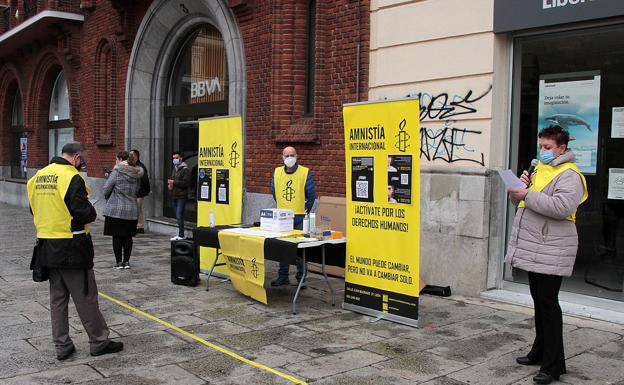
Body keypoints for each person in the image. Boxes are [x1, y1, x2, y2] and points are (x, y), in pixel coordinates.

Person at [505, 125, 587, 385]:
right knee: (539, 303)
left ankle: (554, 366)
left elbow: (562, 207)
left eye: (548, 147)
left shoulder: (569, 174)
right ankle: (539, 352)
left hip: (553, 246)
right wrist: (519, 189)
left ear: (562, 149)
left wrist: (527, 194)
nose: (543, 151)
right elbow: (521, 202)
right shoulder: (542, 169)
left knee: (549, 305)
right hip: (534, 245)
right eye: (541, 146)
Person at [27, 142, 123, 360]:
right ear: (76, 157)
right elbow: (83, 213)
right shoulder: (71, 177)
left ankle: (62, 346)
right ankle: (99, 341)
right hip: (72, 246)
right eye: (82, 160)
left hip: (46, 247)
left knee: (57, 299)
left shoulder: (37, 177)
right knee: (86, 296)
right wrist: (91, 209)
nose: (82, 164)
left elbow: (33, 209)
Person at [270, 146, 316, 288]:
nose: (289, 158)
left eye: (292, 155)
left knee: (300, 249)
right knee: (283, 248)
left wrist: (305, 211)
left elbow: (311, 195)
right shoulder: (277, 172)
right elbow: (274, 192)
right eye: (286, 155)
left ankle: (301, 278)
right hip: (283, 217)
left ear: (297, 156)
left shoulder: (305, 172)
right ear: (282, 157)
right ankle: (283, 276)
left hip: (300, 217)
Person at [103, 151, 144, 269]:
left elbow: (106, 188)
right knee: (128, 237)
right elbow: (137, 191)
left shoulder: (117, 172)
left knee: (116, 236)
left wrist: (109, 198)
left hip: (116, 209)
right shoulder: (137, 174)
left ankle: (118, 262)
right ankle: (126, 261)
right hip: (131, 209)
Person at [168, 151, 191, 241]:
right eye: (173, 158)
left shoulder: (185, 169)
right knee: (178, 215)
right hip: (174, 195)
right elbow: (173, 179)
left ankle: (181, 235)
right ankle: (180, 234)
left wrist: (174, 182)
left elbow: (186, 183)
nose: (175, 159)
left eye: (176, 158)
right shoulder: (175, 168)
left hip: (182, 196)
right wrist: (170, 185)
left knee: (179, 215)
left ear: (181, 158)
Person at [130, 149, 150, 234]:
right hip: (135, 192)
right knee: (139, 209)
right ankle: (140, 226)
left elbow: (145, 180)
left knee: (136, 209)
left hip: (139, 192)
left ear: (136, 156)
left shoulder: (140, 166)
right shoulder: (132, 165)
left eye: (131, 155)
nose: (129, 157)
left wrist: (146, 190)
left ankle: (137, 227)